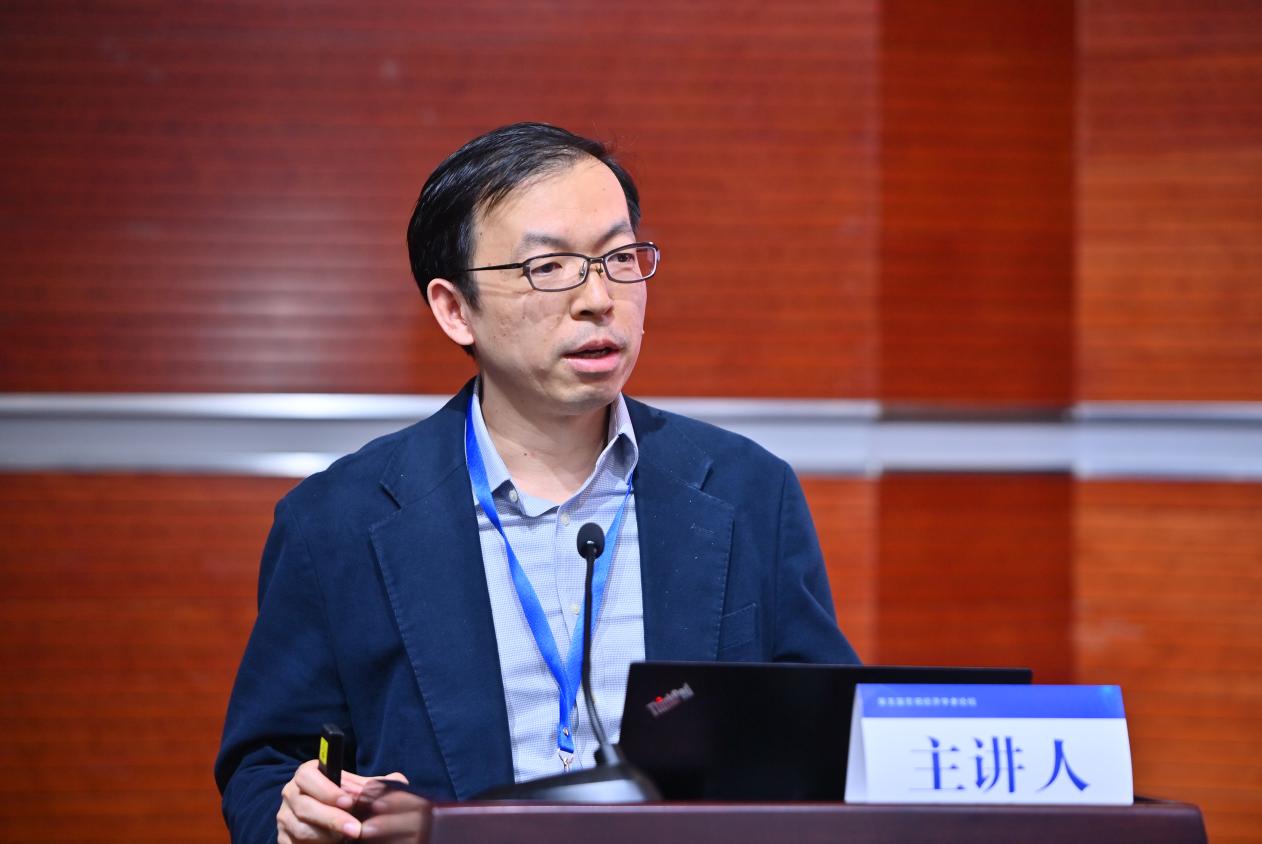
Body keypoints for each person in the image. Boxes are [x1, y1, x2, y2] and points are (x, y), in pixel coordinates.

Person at [215, 122, 859, 842]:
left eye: (620, 257)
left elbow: (829, 746)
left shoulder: (748, 494)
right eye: (549, 267)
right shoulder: (336, 522)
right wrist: (298, 813)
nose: (599, 298)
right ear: (455, 309)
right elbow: (265, 768)